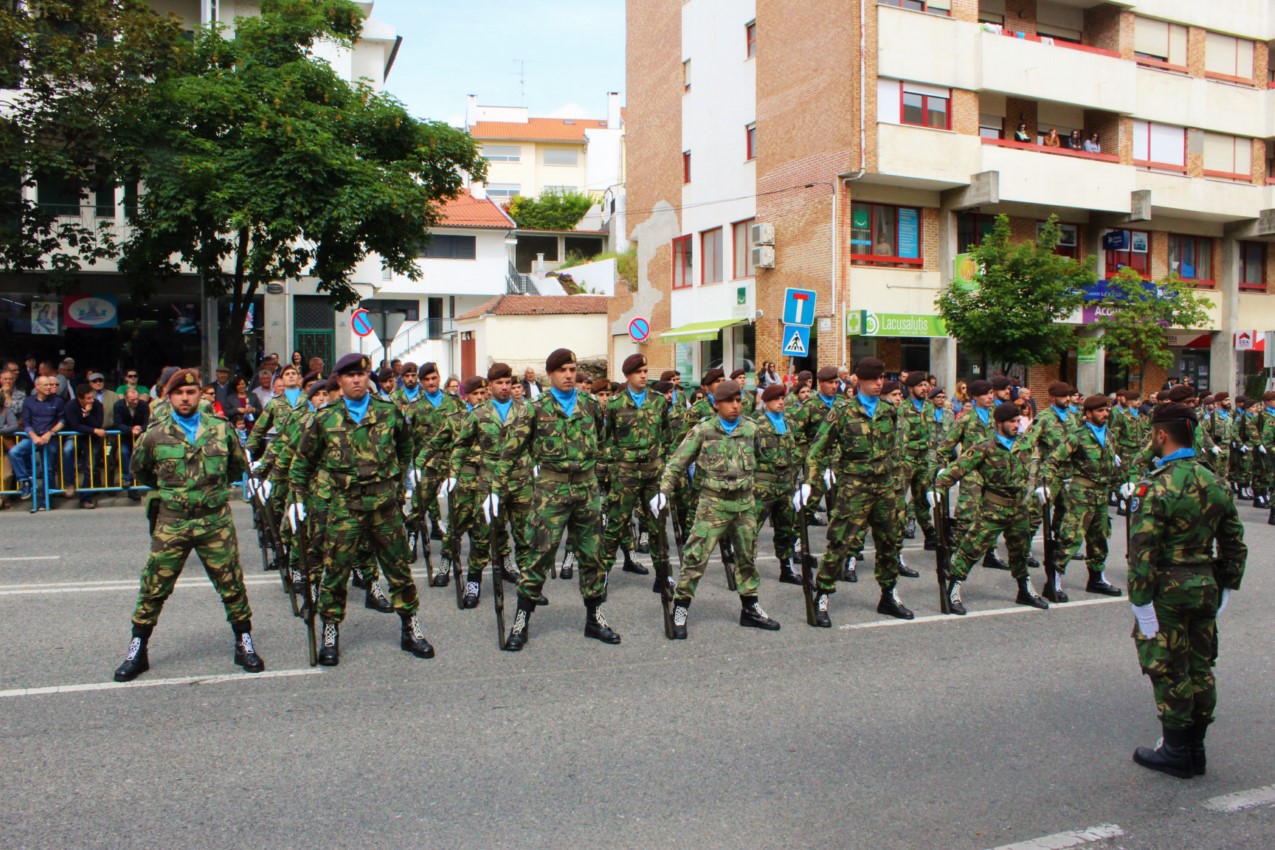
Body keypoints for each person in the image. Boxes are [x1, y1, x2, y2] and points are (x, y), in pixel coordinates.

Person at [112, 368, 265, 683]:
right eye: (178, 393)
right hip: (174, 520)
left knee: (231, 582)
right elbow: (140, 470)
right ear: (169, 397)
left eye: (191, 392)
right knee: (154, 585)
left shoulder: (221, 430)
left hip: (214, 519)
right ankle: (138, 647)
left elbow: (237, 465)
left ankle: (244, 640)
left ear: (200, 395)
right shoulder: (155, 434)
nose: (185, 397)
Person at [288, 353, 434, 666]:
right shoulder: (325, 418)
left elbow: (406, 445)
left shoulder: (388, 411)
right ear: (338, 381)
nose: (357, 380)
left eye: (362, 375)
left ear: (369, 378)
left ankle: (411, 627)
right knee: (336, 571)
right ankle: (331, 630)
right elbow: (304, 462)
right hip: (345, 506)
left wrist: (401, 477)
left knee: (398, 570)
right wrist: (298, 500)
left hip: (384, 506)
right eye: (350, 376)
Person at [1126, 403, 1245, 779]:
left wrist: (1140, 602)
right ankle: (1196, 748)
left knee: (1168, 667)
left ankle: (1176, 751)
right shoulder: (1214, 480)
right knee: (1200, 666)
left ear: (1161, 435)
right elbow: (1234, 542)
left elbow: (1142, 551)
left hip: (1168, 589)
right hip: (1205, 584)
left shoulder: (1158, 484)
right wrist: (1227, 584)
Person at [502, 348, 619, 651]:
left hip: (586, 489)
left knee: (593, 556)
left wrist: (604, 478)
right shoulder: (534, 408)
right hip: (551, 490)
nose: (569, 375)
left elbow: (603, 445)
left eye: (573, 369)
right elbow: (511, 452)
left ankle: (595, 618)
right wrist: (493, 488)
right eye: (563, 370)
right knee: (538, 555)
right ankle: (521, 621)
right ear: (550, 374)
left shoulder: (591, 405)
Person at [653, 379, 780, 638]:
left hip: (744, 503)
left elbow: (762, 460)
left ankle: (750, 608)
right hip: (714, 503)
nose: (736, 406)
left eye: (739, 401)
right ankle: (680, 607)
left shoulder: (751, 429)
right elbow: (677, 463)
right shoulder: (703, 431)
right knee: (696, 556)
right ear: (717, 404)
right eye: (729, 401)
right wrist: (663, 492)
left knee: (746, 556)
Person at [798, 357, 911, 626]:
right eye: (873, 379)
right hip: (854, 488)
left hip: (884, 488)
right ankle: (822, 595)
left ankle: (888, 595)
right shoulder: (843, 412)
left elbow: (895, 448)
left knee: (888, 543)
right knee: (840, 543)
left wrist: (899, 481)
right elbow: (817, 451)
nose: (879, 383)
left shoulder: (888, 410)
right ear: (859, 380)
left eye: (881, 378)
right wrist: (809, 482)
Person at [930, 402, 1049, 614]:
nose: (1017, 425)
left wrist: (1042, 485)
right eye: (1012, 421)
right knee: (971, 549)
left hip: (1019, 509)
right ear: (999, 423)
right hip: (993, 508)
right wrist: (938, 488)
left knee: (1020, 552)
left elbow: (1044, 463)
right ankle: (954, 589)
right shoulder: (986, 447)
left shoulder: (1025, 444)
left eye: (1018, 421)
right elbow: (957, 468)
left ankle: (1024, 590)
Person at [1042, 395, 1124, 601]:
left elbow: (1113, 466)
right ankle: (1054, 580)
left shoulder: (1110, 436)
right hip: (1082, 494)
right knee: (1071, 536)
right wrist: (1044, 485)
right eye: (1100, 411)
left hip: (1102, 494)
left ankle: (1096, 578)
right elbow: (1053, 460)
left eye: (1106, 410)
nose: (1105, 414)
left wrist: (1122, 484)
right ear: (1088, 414)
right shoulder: (1077, 436)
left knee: (1099, 537)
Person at [601, 354, 668, 585]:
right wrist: (614, 464)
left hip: (653, 474)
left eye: (645, 371)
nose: (643, 376)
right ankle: (603, 574)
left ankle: (663, 575)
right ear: (627, 375)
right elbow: (605, 439)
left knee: (657, 525)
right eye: (638, 372)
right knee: (616, 524)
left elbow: (665, 434)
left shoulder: (659, 400)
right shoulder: (615, 404)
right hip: (626, 474)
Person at [434, 376, 493, 608]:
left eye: (483, 393)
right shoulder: (455, 420)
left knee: (482, 533)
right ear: (464, 396)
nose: (480, 397)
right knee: (455, 526)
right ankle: (446, 562)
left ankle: (474, 581)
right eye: (475, 394)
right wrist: (422, 467)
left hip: (486, 481)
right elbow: (437, 444)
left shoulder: (493, 418)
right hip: (463, 480)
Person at [897, 372, 938, 550]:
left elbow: (933, 434)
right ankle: (896, 537)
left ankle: (929, 534)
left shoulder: (929, 406)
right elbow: (901, 436)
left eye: (926, 385)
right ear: (911, 387)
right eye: (921, 385)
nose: (925, 388)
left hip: (923, 459)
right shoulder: (903, 408)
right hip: (907, 459)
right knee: (898, 499)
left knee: (922, 499)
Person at [8, 375, 66, 501]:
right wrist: (34, 437)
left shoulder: (58, 401)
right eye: (46, 385)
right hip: (33, 437)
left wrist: (50, 432)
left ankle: (46, 500)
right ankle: (25, 481)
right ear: (37, 386)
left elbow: (62, 421)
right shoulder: (29, 401)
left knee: (48, 469)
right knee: (14, 452)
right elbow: (26, 422)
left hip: (50, 438)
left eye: (50, 385)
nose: (49, 387)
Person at [62, 383, 106, 508]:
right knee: (67, 450)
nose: (92, 400)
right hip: (75, 435)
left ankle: (85, 498)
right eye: (88, 398)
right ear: (80, 398)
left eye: (92, 397)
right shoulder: (71, 405)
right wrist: (93, 430)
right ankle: (69, 483)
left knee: (90, 466)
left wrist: (87, 414)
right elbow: (75, 425)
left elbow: (98, 423)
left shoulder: (97, 405)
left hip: (92, 438)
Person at [113, 387, 149, 499]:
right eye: (132, 399)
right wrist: (130, 429)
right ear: (126, 398)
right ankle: (128, 480)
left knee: (138, 460)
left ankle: (136, 486)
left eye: (137, 399)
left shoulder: (143, 405)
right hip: (125, 436)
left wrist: (140, 429)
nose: (135, 402)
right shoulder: (118, 405)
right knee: (124, 454)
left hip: (140, 437)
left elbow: (148, 422)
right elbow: (117, 423)